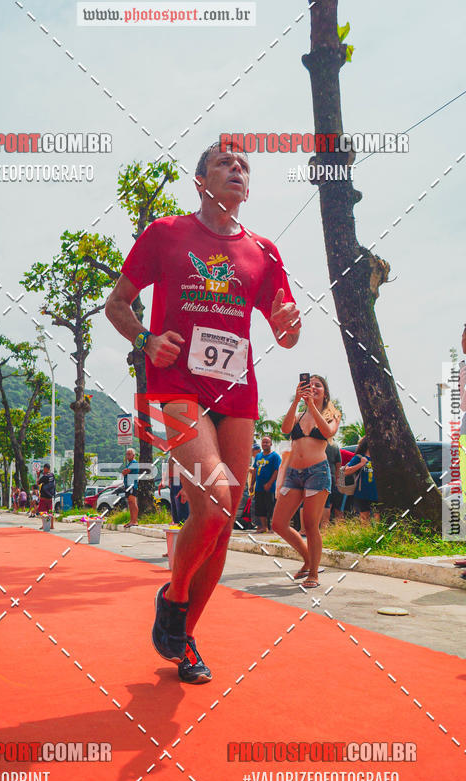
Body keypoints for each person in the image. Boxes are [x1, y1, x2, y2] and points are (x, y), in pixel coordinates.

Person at [105, 140, 300, 683]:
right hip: (173, 389)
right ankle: (173, 598)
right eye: (224, 164)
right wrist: (145, 340)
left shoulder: (264, 252)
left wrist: (289, 322)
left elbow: (285, 333)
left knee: (224, 523)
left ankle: (184, 636)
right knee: (215, 502)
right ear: (201, 182)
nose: (236, 170)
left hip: (237, 395)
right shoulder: (165, 234)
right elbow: (116, 303)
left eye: (243, 166)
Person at [272, 375, 340, 589]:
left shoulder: (333, 414)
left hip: (317, 473)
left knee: (310, 525)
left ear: (325, 392)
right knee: (278, 524)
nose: (313, 388)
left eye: (317, 385)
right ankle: (308, 559)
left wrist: (313, 406)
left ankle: (313, 573)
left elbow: (328, 432)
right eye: (308, 385)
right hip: (294, 473)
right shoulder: (299, 415)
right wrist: (296, 402)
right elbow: (284, 430)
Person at [249, 435, 281, 532]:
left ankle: (272, 528)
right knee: (260, 508)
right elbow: (255, 470)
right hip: (259, 487)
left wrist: (270, 483)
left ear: (271, 444)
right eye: (263, 442)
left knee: (271, 508)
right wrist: (251, 484)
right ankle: (263, 527)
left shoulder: (275, 456)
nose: (265, 444)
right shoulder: (258, 456)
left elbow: (277, 471)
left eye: (267, 442)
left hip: (270, 488)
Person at [345, 437, 378, 523]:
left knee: (378, 519)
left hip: (377, 494)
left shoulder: (378, 458)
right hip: (362, 493)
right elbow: (346, 471)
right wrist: (361, 464)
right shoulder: (359, 457)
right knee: (364, 520)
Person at [321, 439, 342, 526]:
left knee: (323, 503)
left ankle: (321, 525)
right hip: (332, 476)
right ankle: (325, 525)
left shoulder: (320, 442)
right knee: (328, 503)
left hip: (319, 474)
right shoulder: (335, 445)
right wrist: (337, 479)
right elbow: (338, 464)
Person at [121, 448, 140, 528]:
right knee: (130, 503)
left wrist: (124, 471)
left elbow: (125, 472)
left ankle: (135, 521)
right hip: (128, 485)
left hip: (132, 485)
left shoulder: (134, 463)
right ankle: (131, 520)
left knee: (133, 502)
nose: (127, 456)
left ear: (133, 455)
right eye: (127, 454)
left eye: (129, 454)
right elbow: (124, 472)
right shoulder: (129, 464)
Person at [38, 465, 56, 529]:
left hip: (44, 497)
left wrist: (38, 475)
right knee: (50, 511)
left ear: (45, 468)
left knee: (43, 512)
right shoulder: (52, 475)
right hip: (50, 497)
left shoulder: (44, 477)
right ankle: (52, 525)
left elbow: (38, 483)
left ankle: (44, 525)